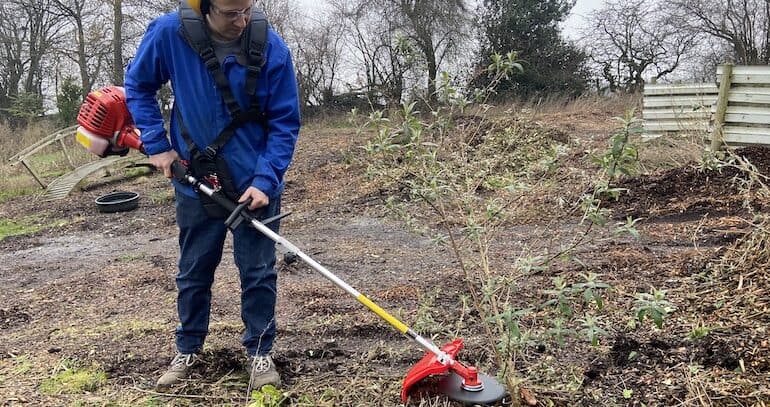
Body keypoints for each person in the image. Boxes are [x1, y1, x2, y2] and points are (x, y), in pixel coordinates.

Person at [124, 0, 301, 390]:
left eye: (247, 11)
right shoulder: (171, 34)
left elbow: (286, 122)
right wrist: (156, 143)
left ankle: (259, 353)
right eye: (229, 13)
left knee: (257, 272)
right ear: (204, 8)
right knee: (194, 270)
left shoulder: (272, 47)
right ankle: (187, 349)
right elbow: (137, 86)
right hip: (195, 178)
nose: (241, 21)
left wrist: (266, 180)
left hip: (254, 183)